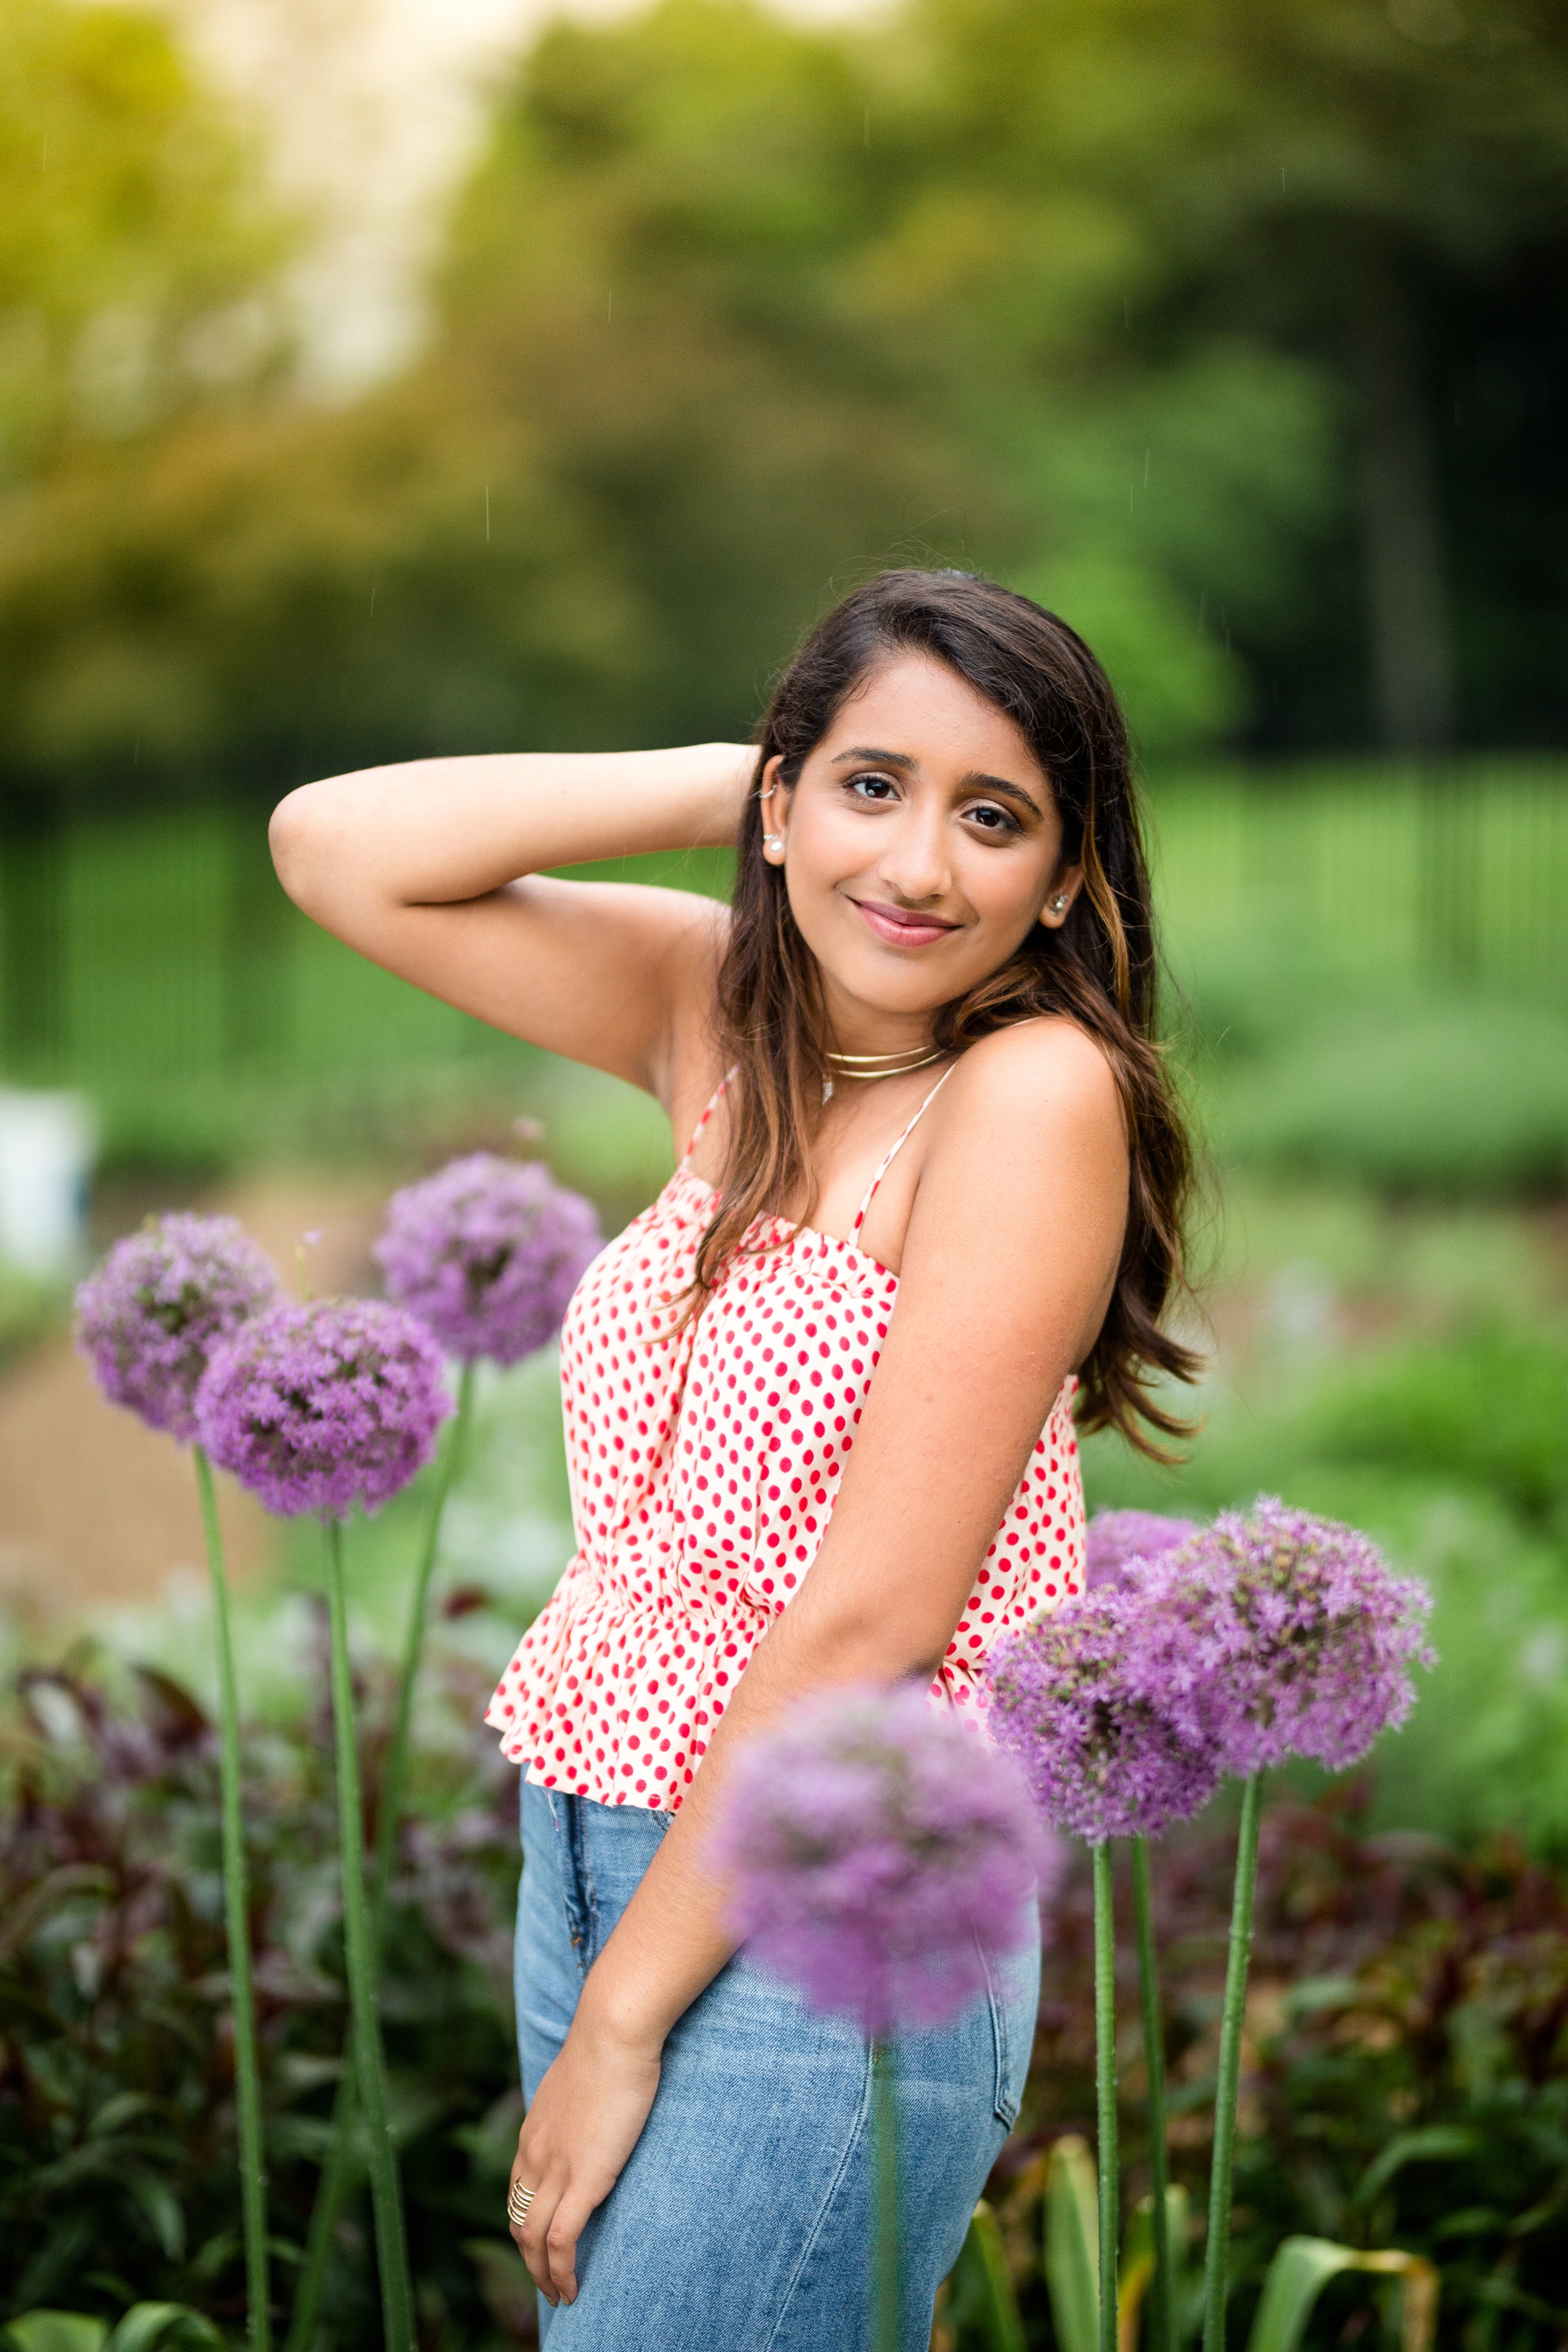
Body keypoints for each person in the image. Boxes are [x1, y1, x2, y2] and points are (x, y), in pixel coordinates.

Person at [270, 568, 1199, 2350]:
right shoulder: (723, 1013)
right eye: (872, 788)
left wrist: (623, 2019)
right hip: (599, 1833)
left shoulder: (1029, 1095)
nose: (920, 867)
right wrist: (745, 779)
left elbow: (872, 1623)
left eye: (991, 817)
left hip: (829, 1894)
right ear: (783, 801)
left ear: (1066, 874)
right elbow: (336, 846)